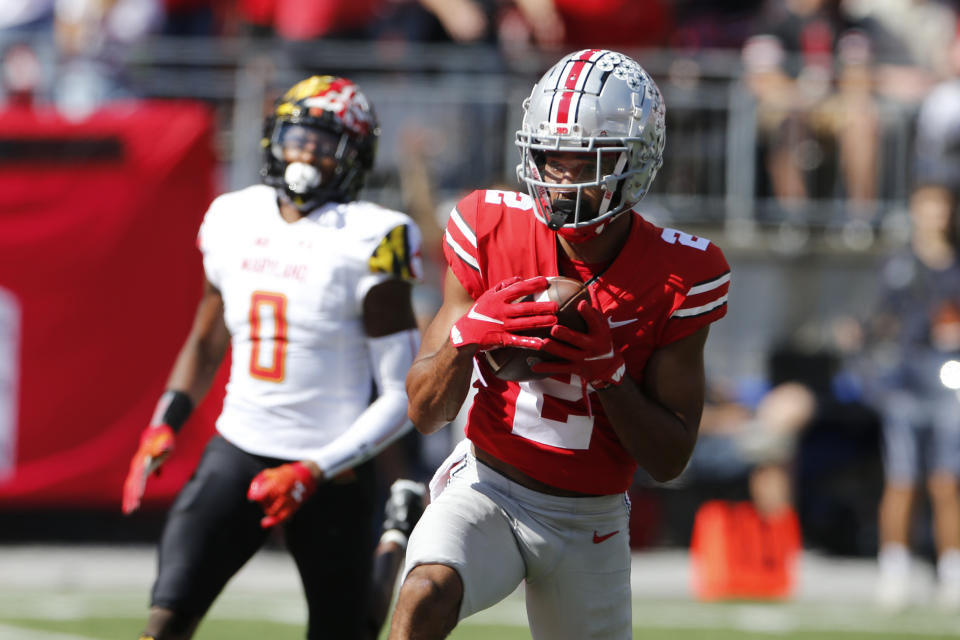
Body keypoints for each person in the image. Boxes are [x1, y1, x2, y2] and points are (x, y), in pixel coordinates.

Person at [389, 49, 731, 639]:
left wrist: (608, 375)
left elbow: (670, 459)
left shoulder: (680, 273)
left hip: (590, 518)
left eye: (584, 158)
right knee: (423, 594)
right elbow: (424, 411)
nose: (561, 175)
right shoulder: (488, 228)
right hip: (488, 486)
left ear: (635, 160)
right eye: (550, 155)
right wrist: (467, 337)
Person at [120, 75, 425, 640]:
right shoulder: (232, 216)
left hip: (330, 468)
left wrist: (314, 468)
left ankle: (395, 537)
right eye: (297, 135)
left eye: (323, 140)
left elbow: (400, 393)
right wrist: (165, 424)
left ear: (354, 155)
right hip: (239, 448)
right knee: (165, 619)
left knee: (349, 629)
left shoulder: (375, 236)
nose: (305, 151)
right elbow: (207, 340)